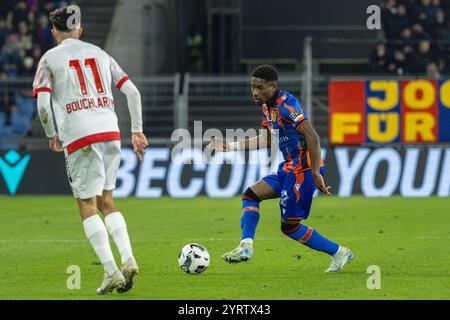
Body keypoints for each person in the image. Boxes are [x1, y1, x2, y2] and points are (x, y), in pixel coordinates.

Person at [32, 5, 148, 294]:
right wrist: (136, 130)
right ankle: (128, 258)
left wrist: (51, 134)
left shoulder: (49, 59)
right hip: (110, 132)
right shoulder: (101, 53)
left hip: (80, 136)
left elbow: (44, 105)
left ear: (54, 32)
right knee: (107, 200)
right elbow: (132, 91)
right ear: (80, 30)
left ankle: (111, 272)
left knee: (87, 205)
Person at [206, 65, 353, 273]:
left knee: (290, 227)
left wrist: (315, 172)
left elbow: (313, 137)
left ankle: (339, 253)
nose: (255, 92)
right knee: (250, 195)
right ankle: (246, 246)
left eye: (260, 87)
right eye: (253, 87)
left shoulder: (287, 106)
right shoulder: (268, 107)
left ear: (273, 86)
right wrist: (230, 146)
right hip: (287, 169)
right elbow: (266, 139)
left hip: (302, 172)